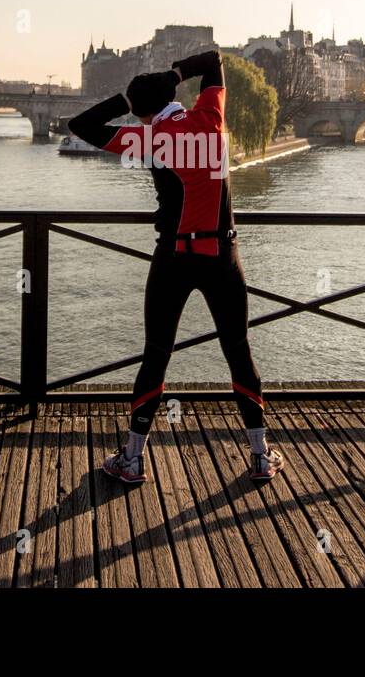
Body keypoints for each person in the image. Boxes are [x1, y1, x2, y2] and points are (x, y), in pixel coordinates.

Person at [68, 48, 285, 484]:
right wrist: (172, 76)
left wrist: (129, 103)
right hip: (223, 257)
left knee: (156, 355)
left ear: (144, 115)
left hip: (174, 258)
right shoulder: (211, 118)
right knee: (238, 351)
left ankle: (132, 459)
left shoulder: (150, 140)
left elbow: (82, 126)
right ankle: (260, 456)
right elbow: (213, 60)